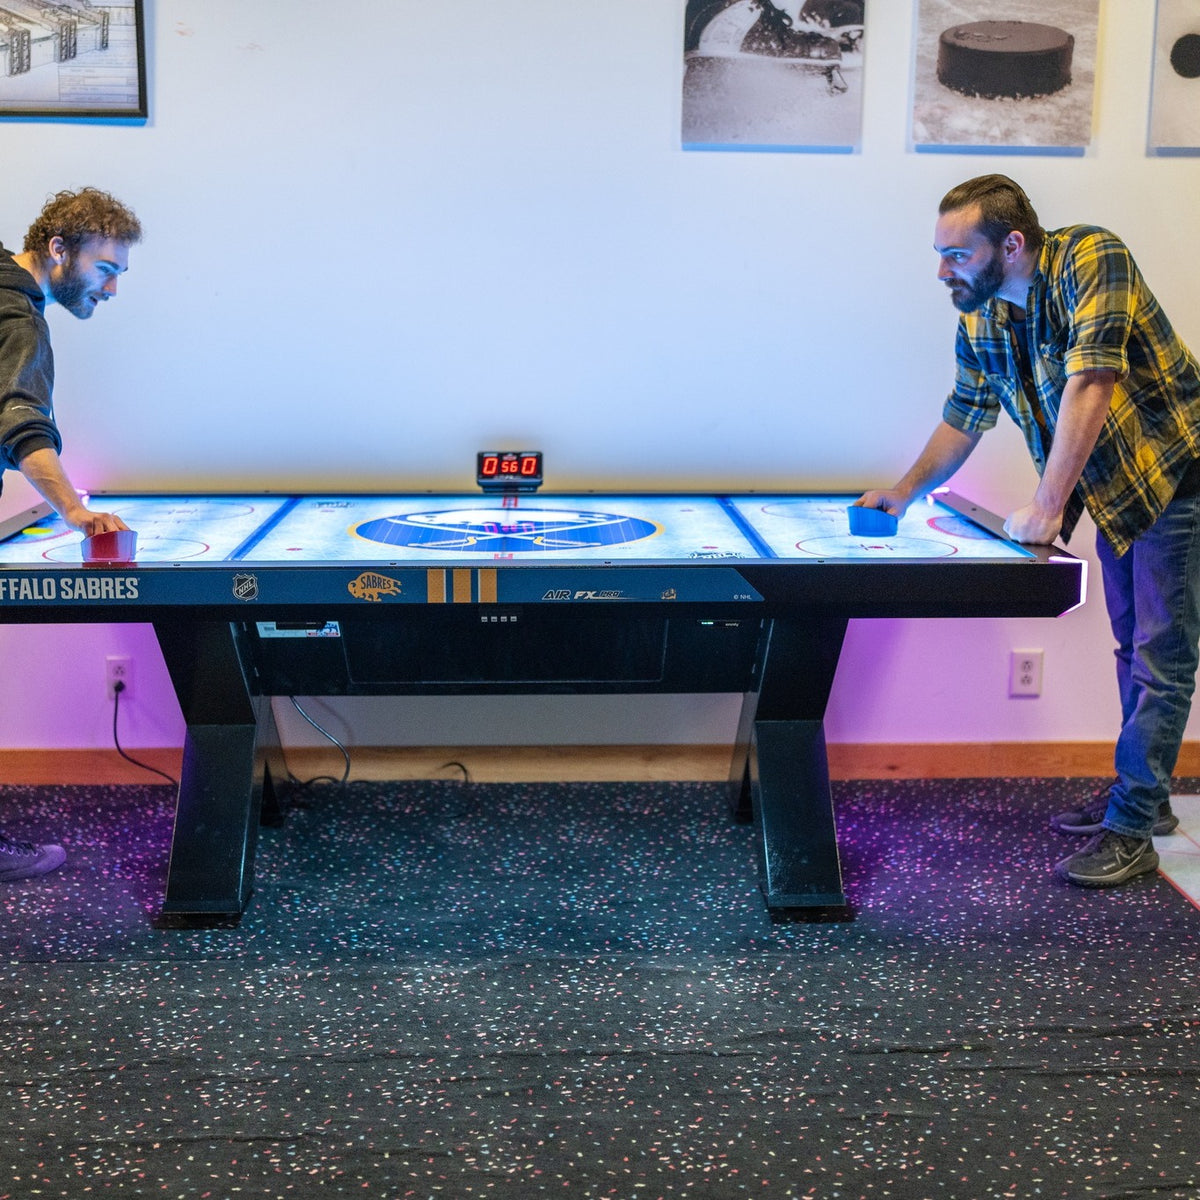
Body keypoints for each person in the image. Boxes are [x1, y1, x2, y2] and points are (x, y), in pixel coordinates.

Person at [857, 173, 1200, 889]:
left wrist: (1045, 508)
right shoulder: (982, 317)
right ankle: (1148, 799)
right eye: (940, 253)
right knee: (1132, 641)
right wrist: (902, 492)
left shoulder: (1090, 258)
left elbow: (1093, 381)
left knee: (1161, 653)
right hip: (1117, 492)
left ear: (1012, 245)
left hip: (1177, 472)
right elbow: (964, 415)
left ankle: (1133, 827)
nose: (943, 270)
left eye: (959, 254)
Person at [0, 187, 142, 881]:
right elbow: (20, 421)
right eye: (105, 268)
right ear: (58, 250)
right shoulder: (20, 319)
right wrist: (75, 512)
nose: (111, 290)